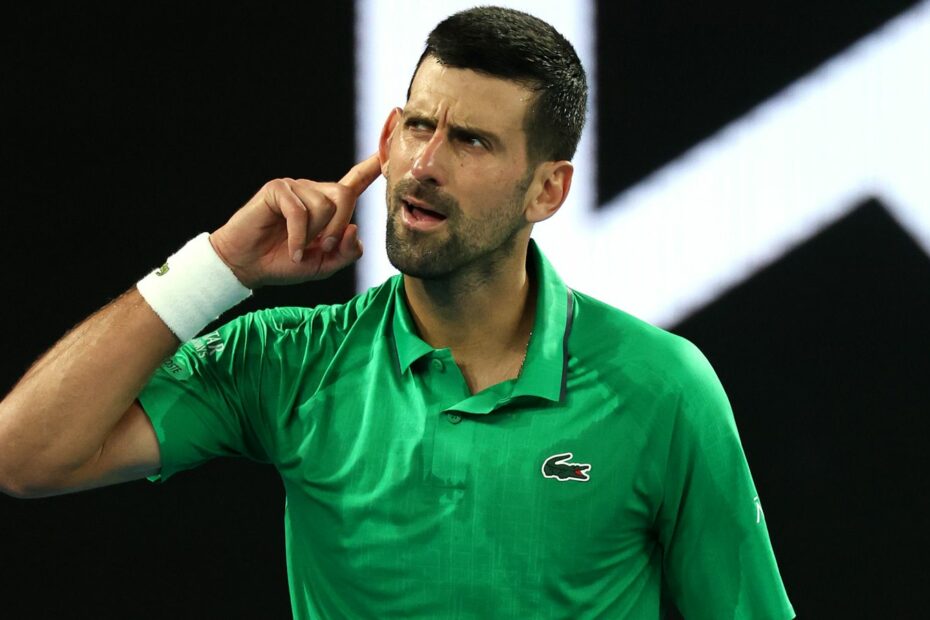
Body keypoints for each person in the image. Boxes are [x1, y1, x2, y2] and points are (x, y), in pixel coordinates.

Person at [0, 6, 794, 619]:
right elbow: (25, 456)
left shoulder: (663, 388)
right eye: (419, 126)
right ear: (389, 133)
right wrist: (217, 270)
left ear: (547, 189)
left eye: (473, 142)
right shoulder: (287, 361)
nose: (424, 164)